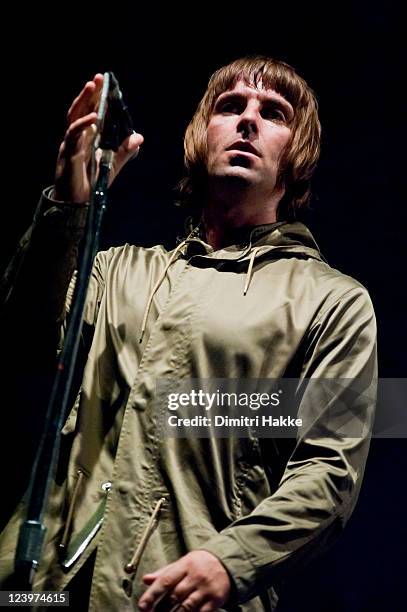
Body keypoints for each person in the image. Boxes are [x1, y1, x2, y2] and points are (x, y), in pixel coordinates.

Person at [0, 56, 377, 611]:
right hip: (38, 590)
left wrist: (233, 559)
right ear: (200, 138)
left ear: (297, 157)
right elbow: (20, 338)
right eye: (231, 107)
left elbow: (330, 472)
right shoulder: (116, 272)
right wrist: (68, 206)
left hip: (179, 597)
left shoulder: (335, 302)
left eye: (273, 113)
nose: (248, 120)